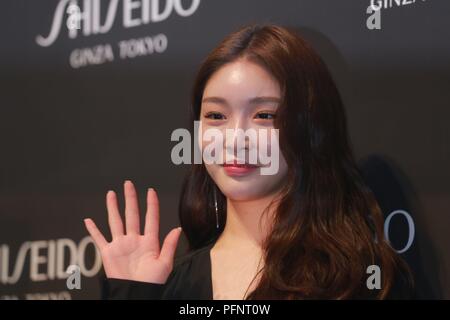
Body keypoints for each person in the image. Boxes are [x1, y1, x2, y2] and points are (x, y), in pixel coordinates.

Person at [84, 24, 414, 300]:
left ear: (310, 126)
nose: (236, 137)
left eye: (263, 115)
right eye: (216, 115)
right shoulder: (170, 284)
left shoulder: (356, 276)